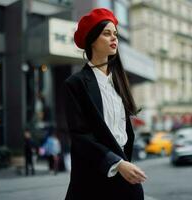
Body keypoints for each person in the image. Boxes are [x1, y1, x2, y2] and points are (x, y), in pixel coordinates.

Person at [63, 8, 146, 200]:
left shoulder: (119, 82)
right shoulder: (75, 84)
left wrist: (123, 161)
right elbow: (80, 136)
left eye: (115, 34)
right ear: (92, 39)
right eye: (107, 33)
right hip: (93, 177)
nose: (113, 38)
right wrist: (116, 163)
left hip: (124, 172)